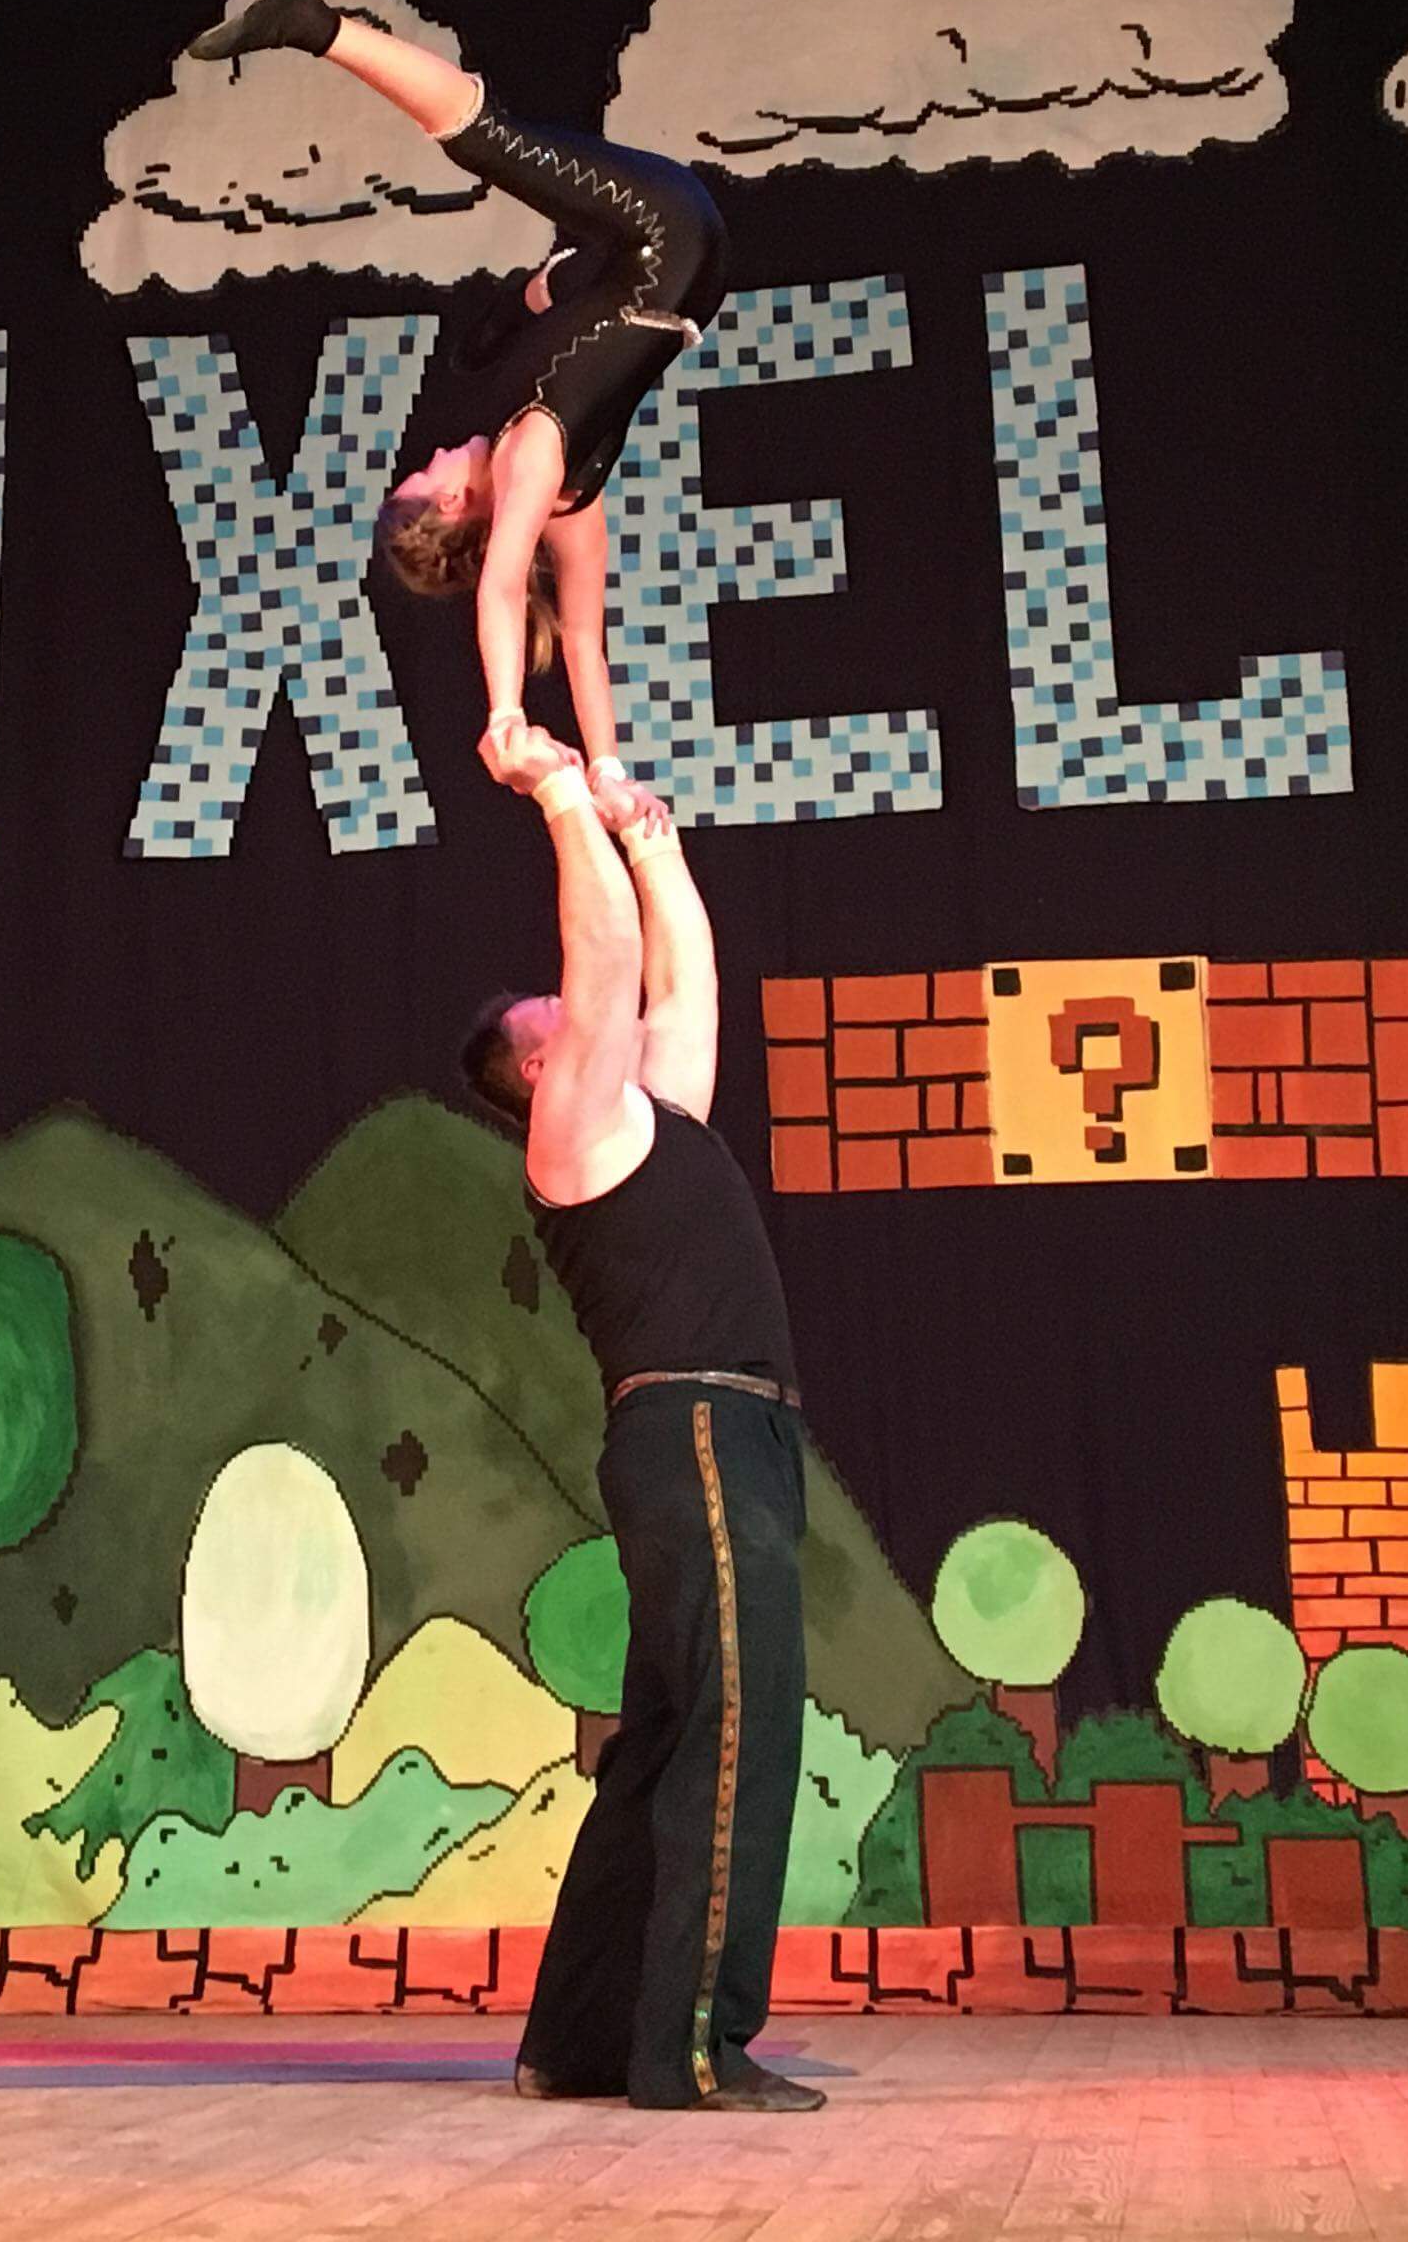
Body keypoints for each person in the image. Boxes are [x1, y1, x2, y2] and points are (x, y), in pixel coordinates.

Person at [457, 718, 819, 2115]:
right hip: (697, 1434)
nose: (584, 1010)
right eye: (558, 1021)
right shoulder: (574, 1139)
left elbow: (687, 991)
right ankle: (693, 2050)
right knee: (735, 1730)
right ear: (535, 1074)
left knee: (669, 1739)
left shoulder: (647, 1125)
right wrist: (560, 795)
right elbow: (609, 964)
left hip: (731, 1440)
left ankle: (580, 2039)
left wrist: (650, 840)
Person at [187, 0, 728, 806]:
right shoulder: (529, 460)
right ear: (448, 502)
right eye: (426, 470)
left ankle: (540, 287)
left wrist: (610, 773)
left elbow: (582, 640)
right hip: (665, 238)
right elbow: (505, 588)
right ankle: (313, 23)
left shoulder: (569, 505)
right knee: (482, 136)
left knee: (489, 346)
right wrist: (505, 713)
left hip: (674, 278)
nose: (435, 451)